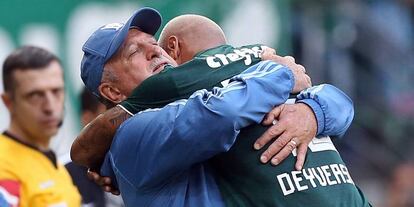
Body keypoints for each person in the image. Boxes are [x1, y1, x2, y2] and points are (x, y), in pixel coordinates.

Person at [72, 8, 370, 206]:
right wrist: (275, 70)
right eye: (135, 51)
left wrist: (312, 112)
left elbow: (339, 102)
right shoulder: (132, 135)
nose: (155, 51)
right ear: (111, 91)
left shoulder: (237, 92)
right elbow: (218, 115)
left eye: (155, 43)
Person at [0, 46, 81, 206]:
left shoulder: (50, 161)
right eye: (35, 95)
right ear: (9, 102)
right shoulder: (4, 168)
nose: (50, 107)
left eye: (56, 91)